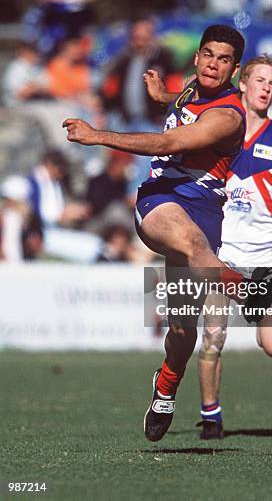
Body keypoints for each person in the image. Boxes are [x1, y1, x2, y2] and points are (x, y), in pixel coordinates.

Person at [63, 24, 251, 441]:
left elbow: (168, 141)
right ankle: (247, 290)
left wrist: (98, 136)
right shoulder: (190, 87)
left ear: (234, 70)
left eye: (223, 59)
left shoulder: (226, 115)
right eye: (208, 54)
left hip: (203, 209)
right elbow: (180, 108)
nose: (212, 64)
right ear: (198, 55)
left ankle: (165, 387)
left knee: (183, 330)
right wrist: (160, 96)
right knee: (191, 243)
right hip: (159, 199)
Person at [198, 55, 272, 440]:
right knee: (213, 336)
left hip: (265, 260)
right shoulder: (217, 131)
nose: (266, 87)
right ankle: (211, 417)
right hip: (222, 253)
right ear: (242, 84)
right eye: (259, 80)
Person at [100, 18, 179, 196]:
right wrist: (104, 108)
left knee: (145, 158)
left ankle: (135, 196)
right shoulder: (123, 60)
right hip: (125, 120)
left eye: (144, 37)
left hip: (151, 121)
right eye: (136, 37)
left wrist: (166, 114)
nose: (139, 41)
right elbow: (110, 88)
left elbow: (174, 90)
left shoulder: (164, 60)